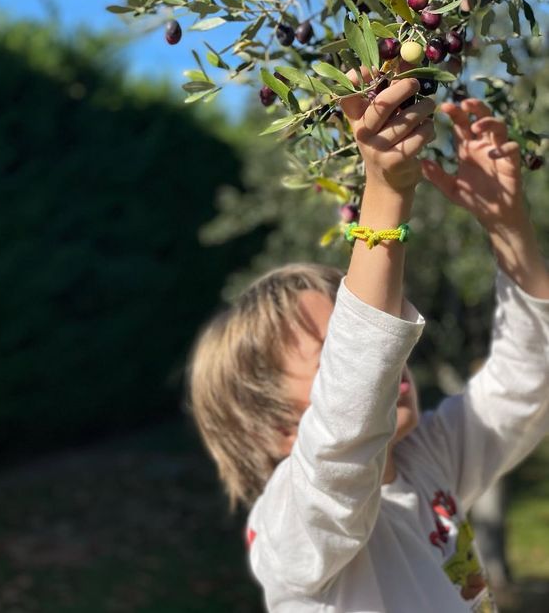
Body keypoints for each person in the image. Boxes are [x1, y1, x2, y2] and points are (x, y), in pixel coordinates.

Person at [187, 70, 549, 612]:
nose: (384, 355)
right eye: (333, 351)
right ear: (278, 428)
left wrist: (508, 227)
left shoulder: (428, 460)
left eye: (353, 325)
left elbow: (529, 377)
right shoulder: (292, 531)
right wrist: (383, 193)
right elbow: (344, 423)